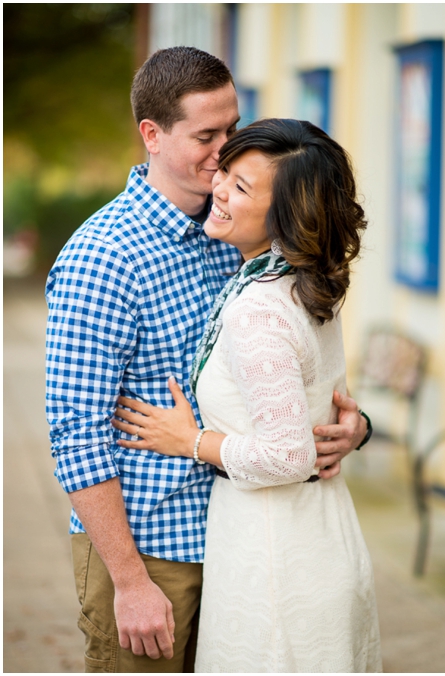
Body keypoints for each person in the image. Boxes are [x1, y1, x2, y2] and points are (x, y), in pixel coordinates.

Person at [45, 47, 368, 672]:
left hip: (239, 539)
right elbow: (76, 436)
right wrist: (131, 582)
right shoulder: (101, 259)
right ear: (152, 135)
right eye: (206, 135)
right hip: (153, 549)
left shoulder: (243, 231)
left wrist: (355, 426)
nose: (225, 152)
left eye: (232, 128)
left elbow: (291, 371)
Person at [109, 118, 382, 672]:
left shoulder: (258, 310)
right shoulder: (298, 280)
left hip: (275, 557)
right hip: (316, 531)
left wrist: (191, 440)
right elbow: (320, 405)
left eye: (241, 187)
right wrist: (359, 427)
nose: (219, 189)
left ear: (285, 216)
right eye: (226, 175)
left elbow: (288, 454)